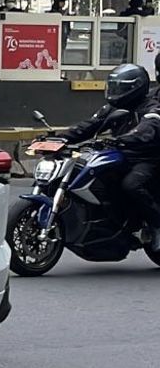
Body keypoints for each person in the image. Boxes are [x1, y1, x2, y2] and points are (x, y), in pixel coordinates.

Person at [57, 63, 160, 248]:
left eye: (120, 87)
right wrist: (58, 138)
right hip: (120, 154)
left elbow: (146, 129)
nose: (115, 91)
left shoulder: (152, 107)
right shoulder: (112, 108)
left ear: (134, 87)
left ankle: (156, 225)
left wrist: (125, 139)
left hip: (146, 157)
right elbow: (88, 125)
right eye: (113, 86)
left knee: (132, 185)